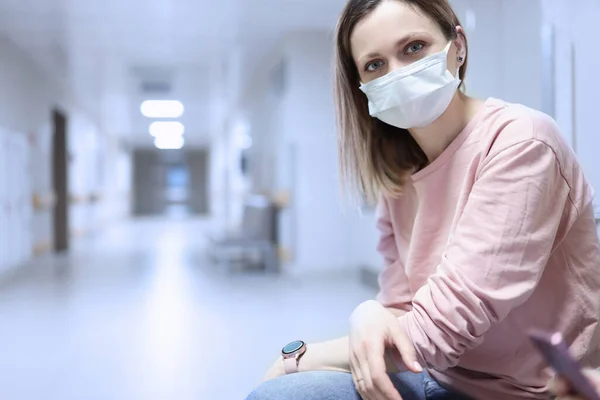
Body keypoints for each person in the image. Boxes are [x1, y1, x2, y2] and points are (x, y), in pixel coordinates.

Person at [246, 0, 600, 399]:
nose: (398, 74)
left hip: (533, 390)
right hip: (437, 375)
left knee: (279, 389)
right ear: (362, 89)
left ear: (458, 46)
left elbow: (441, 332)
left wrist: (296, 358)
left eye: (413, 47)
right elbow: (400, 310)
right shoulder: (400, 175)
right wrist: (371, 313)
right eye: (375, 65)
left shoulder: (522, 142)